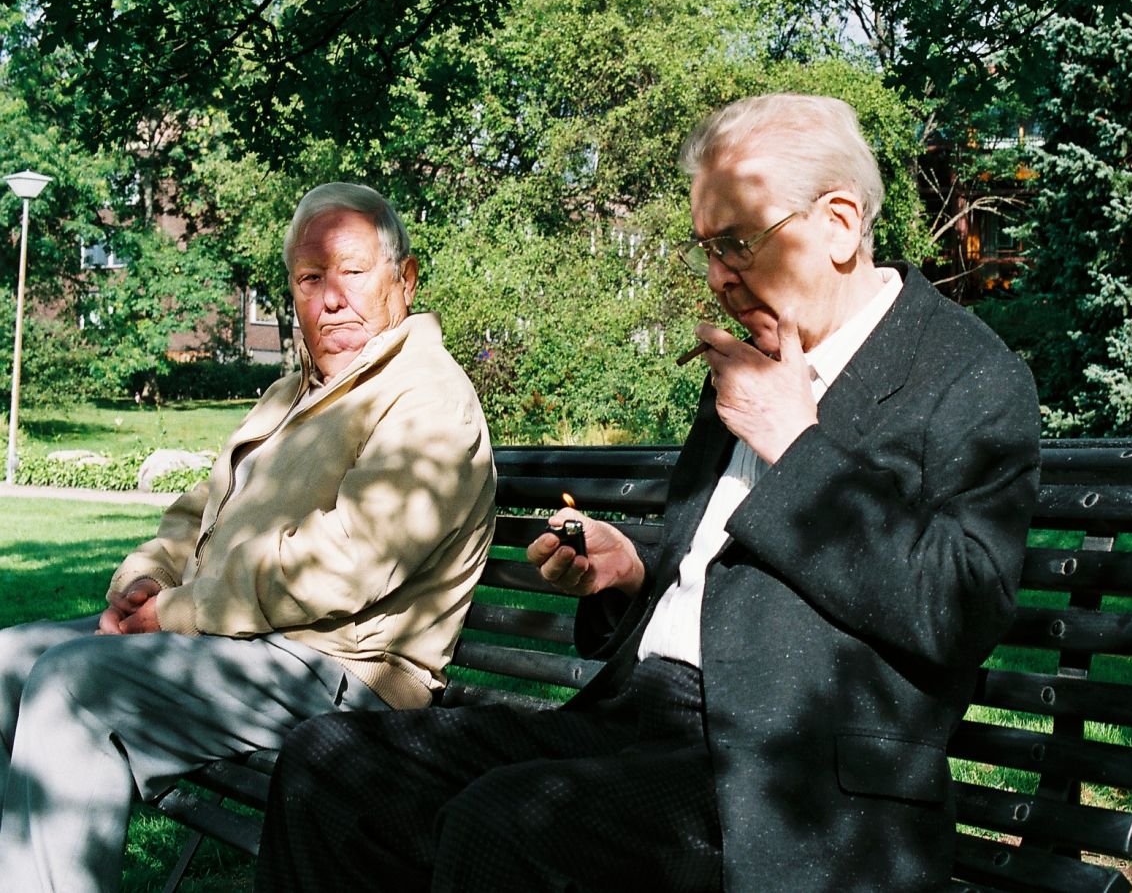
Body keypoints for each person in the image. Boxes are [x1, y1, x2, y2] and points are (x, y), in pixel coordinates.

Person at [253, 94, 1040, 892]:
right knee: (331, 764)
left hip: (787, 777)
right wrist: (633, 575)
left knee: (505, 826)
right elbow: (724, 575)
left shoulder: (966, 376)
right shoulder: (757, 356)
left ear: (838, 223)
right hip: (639, 721)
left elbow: (963, 604)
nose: (717, 276)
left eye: (736, 243)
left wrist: (797, 446)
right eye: (706, 249)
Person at [0, 182, 496, 892]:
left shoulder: (426, 397)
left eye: (353, 273)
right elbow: (197, 514)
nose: (332, 299)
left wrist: (178, 612)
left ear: (405, 279)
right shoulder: (292, 394)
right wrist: (144, 580)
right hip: (243, 641)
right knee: (7, 662)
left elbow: (341, 567)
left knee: (75, 685)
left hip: (342, 669)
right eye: (309, 278)